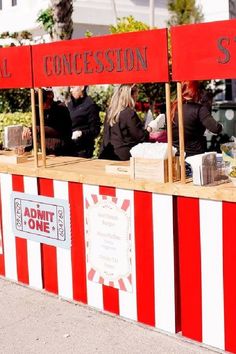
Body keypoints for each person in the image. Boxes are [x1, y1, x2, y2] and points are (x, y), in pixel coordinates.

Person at [99, 84, 165, 161]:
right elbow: (140, 138)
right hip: (123, 157)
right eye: (136, 94)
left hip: (107, 154)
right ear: (130, 95)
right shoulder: (129, 113)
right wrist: (151, 127)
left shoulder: (110, 112)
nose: (137, 97)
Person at [171, 81, 223, 157]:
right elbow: (215, 128)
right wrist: (221, 127)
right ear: (196, 91)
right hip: (194, 158)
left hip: (175, 157)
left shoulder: (172, 108)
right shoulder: (199, 109)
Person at [23, 89, 74, 156]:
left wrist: (35, 129)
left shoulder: (61, 109)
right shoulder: (37, 110)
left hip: (62, 151)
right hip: (46, 152)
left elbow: (58, 130)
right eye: (39, 104)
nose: (43, 106)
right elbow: (35, 134)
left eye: (43, 102)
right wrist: (25, 148)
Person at [67, 86, 101, 158]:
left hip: (83, 150)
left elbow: (95, 130)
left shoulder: (90, 106)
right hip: (69, 148)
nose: (70, 90)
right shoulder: (70, 104)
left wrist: (81, 133)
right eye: (70, 88)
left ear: (82, 87)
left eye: (73, 87)